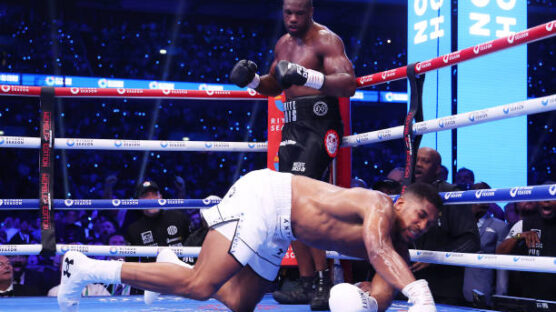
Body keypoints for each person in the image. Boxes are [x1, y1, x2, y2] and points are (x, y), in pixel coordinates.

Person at [58, 169, 442, 312]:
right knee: (201, 285)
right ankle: (86, 268)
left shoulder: (397, 253)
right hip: (267, 197)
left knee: (240, 303)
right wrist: (420, 294)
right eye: (420, 214)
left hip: (280, 228)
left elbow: (383, 290)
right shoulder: (377, 204)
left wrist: (362, 302)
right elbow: (376, 250)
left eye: (429, 223)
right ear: (401, 200)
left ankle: (172, 264)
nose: (422, 225)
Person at [230, 0, 357, 309]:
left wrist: (308, 76)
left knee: (306, 202)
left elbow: (349, 84)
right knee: (287, 205)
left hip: (321, 123)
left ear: (311, 11)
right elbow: (276, 84)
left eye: (300, 13)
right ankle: (306, 283)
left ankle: (324, 284)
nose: (293, 18)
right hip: (291, 126)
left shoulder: (327, 40)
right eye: (288, 12)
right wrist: (254, 81)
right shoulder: (283, 44)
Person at [411, 147, 480, 306]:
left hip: (443, 289)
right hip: (407, 287)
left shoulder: (451, 194)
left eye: (426, 161)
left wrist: (436, 257)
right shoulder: (403, 193)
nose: (419, 164)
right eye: (417, 160)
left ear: (437, 170)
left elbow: (471, 240)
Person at [495, 187, 556, 301]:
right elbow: (500, 251)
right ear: (538, 201)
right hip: (530, 297)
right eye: (544, 197)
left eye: (552, 197)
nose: (547, 201)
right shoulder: (523, 225)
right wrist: (519, 236)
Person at [462, 182, 509, 307]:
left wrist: (501, 295)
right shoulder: (460, 224)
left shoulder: (500, 226)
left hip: (485, 292)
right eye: (478, 197)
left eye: (485, 197)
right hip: (458, 291)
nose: (482, 201)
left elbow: (501, 264)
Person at [125, 180, 192, 263]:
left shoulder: (178, 217)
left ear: (160, 197)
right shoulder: (133, 230)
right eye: (146, 196)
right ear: (138, 201)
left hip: (183, 270)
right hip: (152, 274)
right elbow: (131, 263)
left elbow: (193, 243)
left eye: (154, 194)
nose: (151, 199)